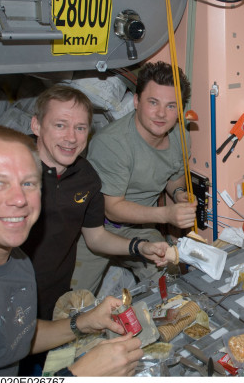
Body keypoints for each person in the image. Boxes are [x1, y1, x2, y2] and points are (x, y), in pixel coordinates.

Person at [0, 124, 143, 376]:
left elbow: (15, 336)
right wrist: (80, 375)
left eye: (28, 183)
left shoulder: (17, 260)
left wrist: (83, 323)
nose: (19, 199)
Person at [21, 85, 173, 322]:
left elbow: (96, 237)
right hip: (10, 294)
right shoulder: (11, 167)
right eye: (60, 125)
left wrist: (140, 247)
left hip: (54, 293)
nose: (71, 137)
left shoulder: (86, 177)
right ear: (36, 126)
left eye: (80, 128)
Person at [72, 61, 197, 294]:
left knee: (173, 286)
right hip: (96, 230)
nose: (161, 114)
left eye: (171, 106)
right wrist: (167, 214)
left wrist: (180, 195)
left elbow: (174, 177)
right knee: (73, 307)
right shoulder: (113, 144)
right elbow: (112, 208)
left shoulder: (181, 136)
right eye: (153, 103)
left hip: (140, 229)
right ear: (137, 102)